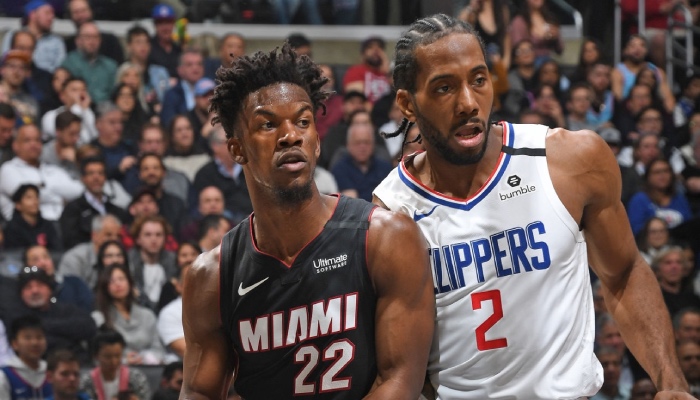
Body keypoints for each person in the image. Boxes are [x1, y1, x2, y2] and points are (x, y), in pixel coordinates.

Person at [373, 13, 694, 399]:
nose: (468, 103)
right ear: (408, 104)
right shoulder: (390, 212)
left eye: (478, 79)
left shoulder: (569, 160)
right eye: (444, 88)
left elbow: (623, 273)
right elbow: (401, 364)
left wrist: (671, 383)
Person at [180, 43, 434, 399]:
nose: (290, 135)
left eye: (303, 121)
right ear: (237, 149)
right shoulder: (211, 276)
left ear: (316, 141)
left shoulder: (385, 239)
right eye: (268, 125)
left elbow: (399, 380)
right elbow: (200, 393)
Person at [92, 264, 165, 365]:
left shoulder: (148, 315)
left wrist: (143, 358)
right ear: (105, 286)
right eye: (112, 281)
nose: (118, 284)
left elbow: (159, 350)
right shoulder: (100, 318)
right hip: (114, 368)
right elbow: (97, 355)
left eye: (121, 279)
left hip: (148, 366)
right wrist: (123, 360)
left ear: (130, 283)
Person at [80, 328, 152, 400]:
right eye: (108, 357)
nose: (113, 362)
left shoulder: (136, 378)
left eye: (117, 356)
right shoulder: (87, 382)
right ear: (96, 356)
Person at [0, 315, 51, 399]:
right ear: (14, 344)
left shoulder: (53, 372)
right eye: (27, 338)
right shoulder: (4, 376)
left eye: (39, 337)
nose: (34, 343)